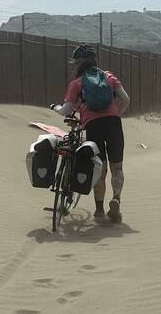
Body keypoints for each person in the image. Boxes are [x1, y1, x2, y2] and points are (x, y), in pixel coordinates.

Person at [53, 44, 130, 223]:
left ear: (79, 64)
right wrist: (116, 115)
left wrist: (55, 107)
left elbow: (66, 110)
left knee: (100, 168)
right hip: (114, 124)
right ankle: (116, 198)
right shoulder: (109, 77)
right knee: (116, 167)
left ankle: (99, 210)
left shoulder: (77, 83)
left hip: (93, 126)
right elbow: (126, 99)